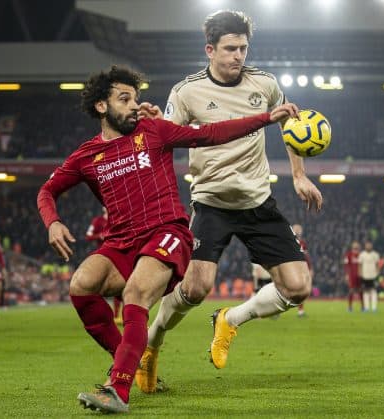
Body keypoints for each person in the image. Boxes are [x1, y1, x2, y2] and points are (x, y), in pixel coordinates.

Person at [36, 66, 299, 414]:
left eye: (136, 98)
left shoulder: (153, 130)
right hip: (121, 241)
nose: (135, 106)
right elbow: (47, 191)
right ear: (102, 106)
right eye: (124, 99)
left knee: (135, 294)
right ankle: (129, 359)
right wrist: (52, 222)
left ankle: (117, 388)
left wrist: (265, 118)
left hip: (166, 232)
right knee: (82, 284)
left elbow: (211, 133)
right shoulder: (86, 156)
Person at [137, 10, 323, 390]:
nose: (239, 55)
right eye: (231, 49)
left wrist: (300, 175)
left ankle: (230, 320)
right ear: (210, 50)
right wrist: (157, 123)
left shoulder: (265, 83)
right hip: (211, 202)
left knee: (298, 286)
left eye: (243, 47)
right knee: (194, 289)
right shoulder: (186, 91)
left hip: (258, 201)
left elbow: (292, 122)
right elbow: (164, 138)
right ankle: (152, 344)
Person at [85, 207, 122, 323]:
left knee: (119, 286)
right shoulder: (97, 221)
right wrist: (99, 236)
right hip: (101, 257)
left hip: (116, 255)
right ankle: (96, 314)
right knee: (95, 287)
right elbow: (88, 236)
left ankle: (116, 316)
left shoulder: (118, 220)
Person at [359, 241, 380, 312]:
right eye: (367, 245)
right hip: (365, 275)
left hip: (373, 275)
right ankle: (366, 307)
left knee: (373, 291)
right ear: (365, 246)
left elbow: (377, 265)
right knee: (365, 292)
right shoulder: (362, 255)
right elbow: (360, 265)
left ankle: (374, 308)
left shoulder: (375, 254)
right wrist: (360, 273)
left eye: (369, 245)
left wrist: (377, 273)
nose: (368, 246)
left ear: (372, 246)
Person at [343, 241, 364, 312]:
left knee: (361, 291)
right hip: (352, 276)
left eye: (357, 245)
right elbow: (346, 265)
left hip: (360, 276)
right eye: (354, 245)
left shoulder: (361, 255)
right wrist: (346, 274)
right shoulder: (349, 255)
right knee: (351, 290)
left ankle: (363, 307)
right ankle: (350, 307)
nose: (356, 246)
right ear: (352, 246)